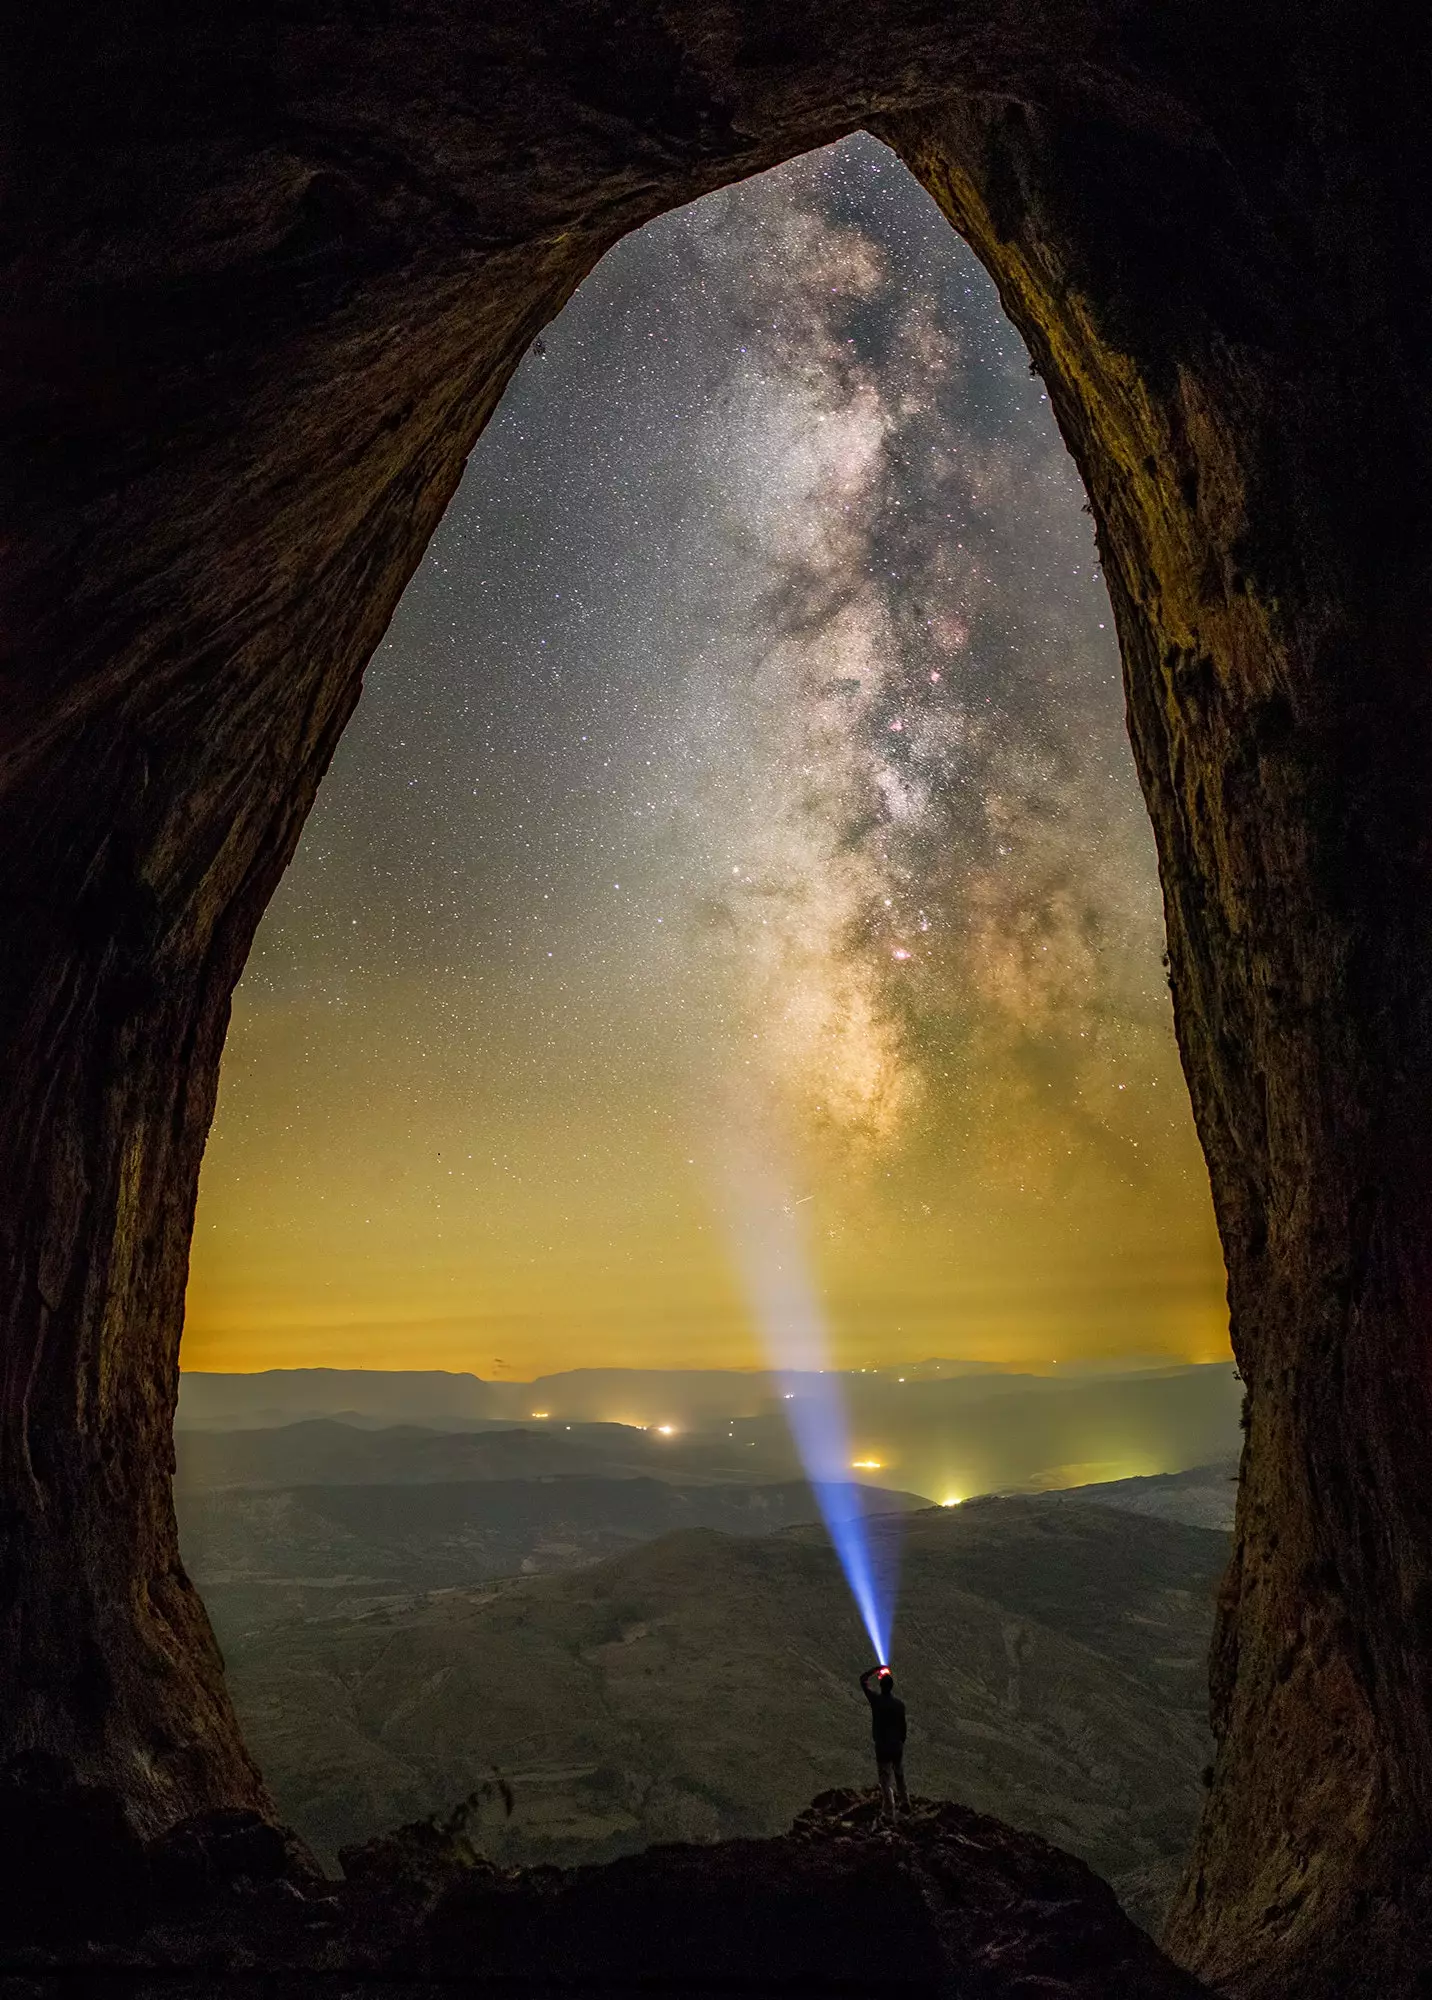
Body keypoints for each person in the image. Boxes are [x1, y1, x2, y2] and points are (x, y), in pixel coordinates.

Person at [860, 1664, 910, 1818]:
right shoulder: (899, 1705)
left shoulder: (876, 1701)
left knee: (885, 1779)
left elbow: (863, 1680)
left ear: (881, 1686)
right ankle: (905, 1803)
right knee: (899, 1775)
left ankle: (889, 1810)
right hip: (896, 1746)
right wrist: (901, 1741)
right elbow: (903, 1728)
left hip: (882, 1747)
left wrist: (876, 1669)